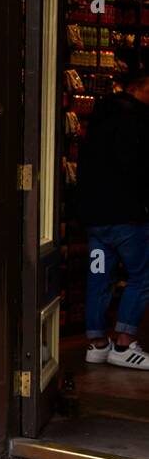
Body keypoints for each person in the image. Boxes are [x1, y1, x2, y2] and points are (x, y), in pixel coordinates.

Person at [80, 72, 149, 371]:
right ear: (136, 88)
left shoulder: (97, 120)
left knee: (99, 278)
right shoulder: (138, 122)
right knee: (142, 276)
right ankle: (124, 342)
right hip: (128, 217)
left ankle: (96, 344)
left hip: (97, 220)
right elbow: (140, 169)